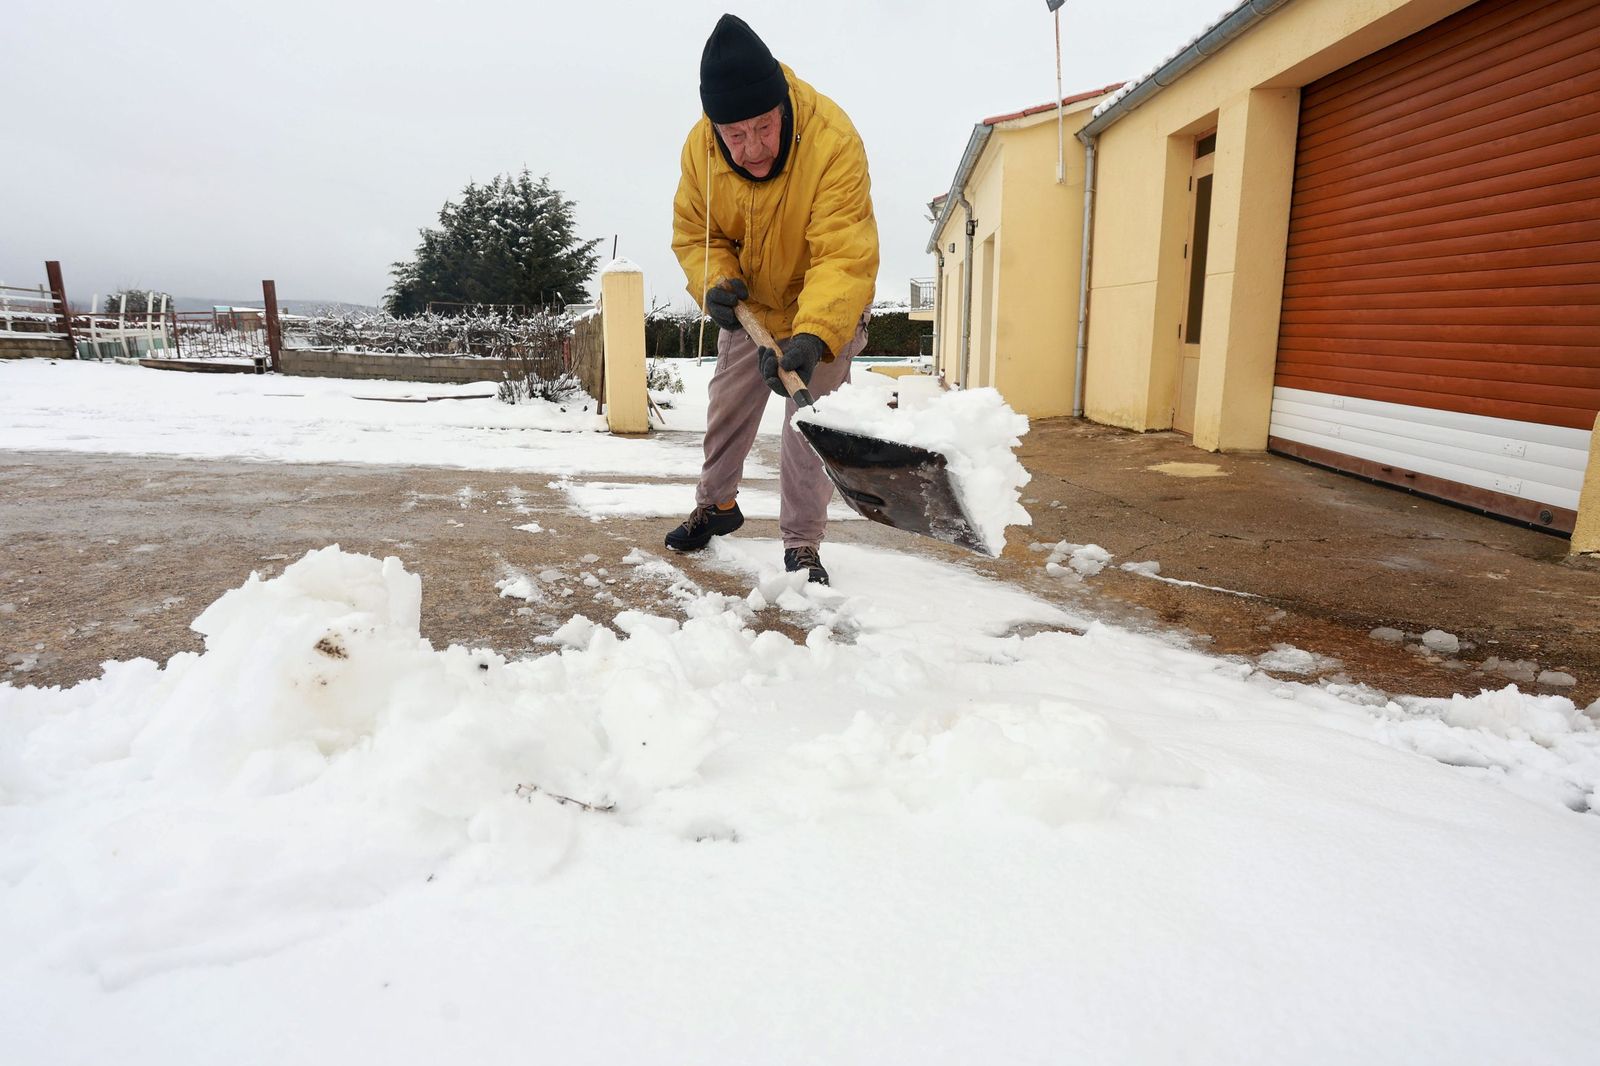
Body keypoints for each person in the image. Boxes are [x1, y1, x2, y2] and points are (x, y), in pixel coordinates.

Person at [666, 13, 879, 586]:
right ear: (715, 129)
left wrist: (813, 335)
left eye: (764, 127)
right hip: (753, 307)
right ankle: (717, 506)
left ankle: (803, 543)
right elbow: (697, 234)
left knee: (806, 425)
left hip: (824, 308)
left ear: (783, 105)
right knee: (726, 409)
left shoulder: (832, 140)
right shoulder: (700, 151)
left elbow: (842, 253)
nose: (752, 147)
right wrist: (716, 283)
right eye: (735, 135)